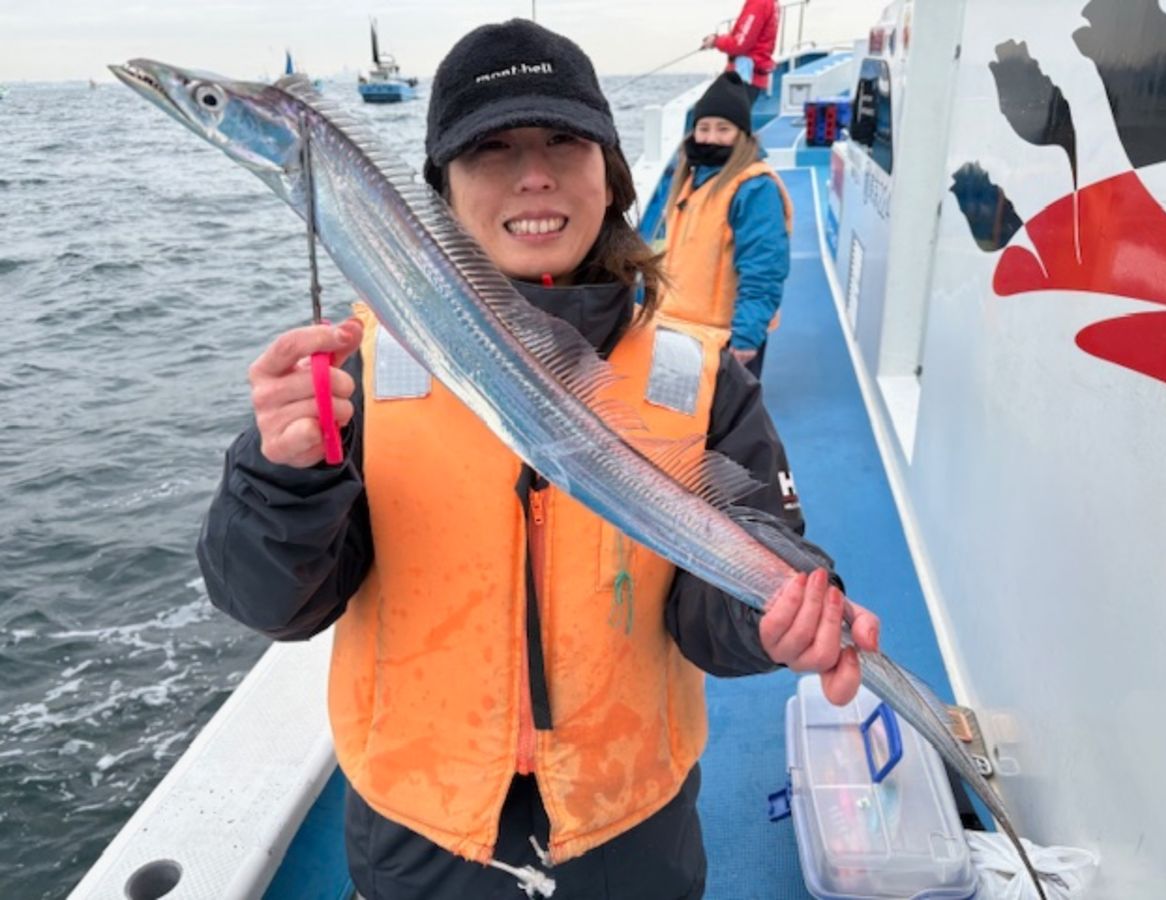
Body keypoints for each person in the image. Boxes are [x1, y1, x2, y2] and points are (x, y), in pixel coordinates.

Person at [197, 19, 878, 900]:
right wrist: (280, 478)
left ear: (611, 174)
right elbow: (274, 603)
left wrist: (778, 612)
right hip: (420, 834)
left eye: (564, 140)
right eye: (491, 148)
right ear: (440, 189)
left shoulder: (697, 377)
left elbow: (717, 603)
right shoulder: (354, 369)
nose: (534, 174)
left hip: (631, 832)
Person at [660, 71, 791, 379]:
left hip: (724, 335)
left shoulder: (754, 188)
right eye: (703, 128)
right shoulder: (693, 178)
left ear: (742, 134)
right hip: (680, 328)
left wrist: (746, 336)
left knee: (724, 423)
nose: (711, 138)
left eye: (723, 129)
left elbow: (764, 267)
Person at [701, 0, 781, 107]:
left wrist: (716, 41)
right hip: (752, 76)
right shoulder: (770, 3)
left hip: (744, 76)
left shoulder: (758, 3)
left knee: (717, 112)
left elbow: (739, 44)